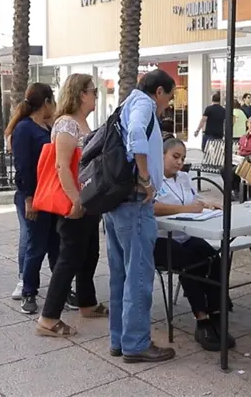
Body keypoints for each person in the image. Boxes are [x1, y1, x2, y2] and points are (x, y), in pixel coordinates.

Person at [103, 69, 177, 363]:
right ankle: (136, 344)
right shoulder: (145, 105)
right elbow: (135, 135)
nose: (168, 104)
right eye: (169, 96)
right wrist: (146, 178)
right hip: (135, 203)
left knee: (121, 273)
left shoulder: (127, 102)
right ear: (159, 91)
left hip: (118, 202)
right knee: (138, 275)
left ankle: (120, 339)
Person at [36, 74, 108, 337]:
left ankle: (87, 302)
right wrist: (75, 199)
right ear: (80, 94)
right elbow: (62, 165)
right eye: (93, 90)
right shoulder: (66, 124)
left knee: (89, 253)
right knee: (69, 259)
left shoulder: (82, 123)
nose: (96, 95)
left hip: (88, 200)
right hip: (75, 201)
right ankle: (48, 318)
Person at [153, 138, 237, 351]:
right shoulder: (152, 178)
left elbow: (193, 199)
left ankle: (217, 312)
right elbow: (153, 207)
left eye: (182, 158)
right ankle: (202, 319)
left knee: (215, 259)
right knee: (192, 265)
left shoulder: (183, 177)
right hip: (159, 239)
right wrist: (186, 210)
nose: (179, 162)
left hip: (186, 233)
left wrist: (206, 204)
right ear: (161, 155)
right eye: (175, 157)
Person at [5, 83, 61, 312]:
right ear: (46, 102)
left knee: (55, 245)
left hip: (50, 195)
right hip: (34, 196)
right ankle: (29, 291)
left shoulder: (46, 127)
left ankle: (60, 290)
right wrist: (29, 198)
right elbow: (23, 166)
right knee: (36, 246)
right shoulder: (25, 129)